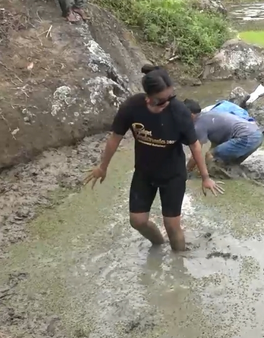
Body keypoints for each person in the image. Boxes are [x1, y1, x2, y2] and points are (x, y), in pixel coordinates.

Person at [83, 65, 224, 252]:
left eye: (170, 97)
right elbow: (114, 139)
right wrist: (103, 167)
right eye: (161, 100)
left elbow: (195, 145)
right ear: (148, 98)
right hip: (144, 172)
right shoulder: (132, 107)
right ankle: (158, 246)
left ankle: (179, 261)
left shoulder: (179, 112)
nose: (168, 103)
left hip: (173, 174)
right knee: (137, 221)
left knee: (172, 225)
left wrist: (205, 177)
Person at [183, 99, 264, 171]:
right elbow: (212, 144)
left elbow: (197, 153)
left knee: (211, 157)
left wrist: (187, 171)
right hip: (257, 134)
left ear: (190, 114)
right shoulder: (210, 114)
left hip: (247, 137)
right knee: (231, 166)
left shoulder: (198, 126)